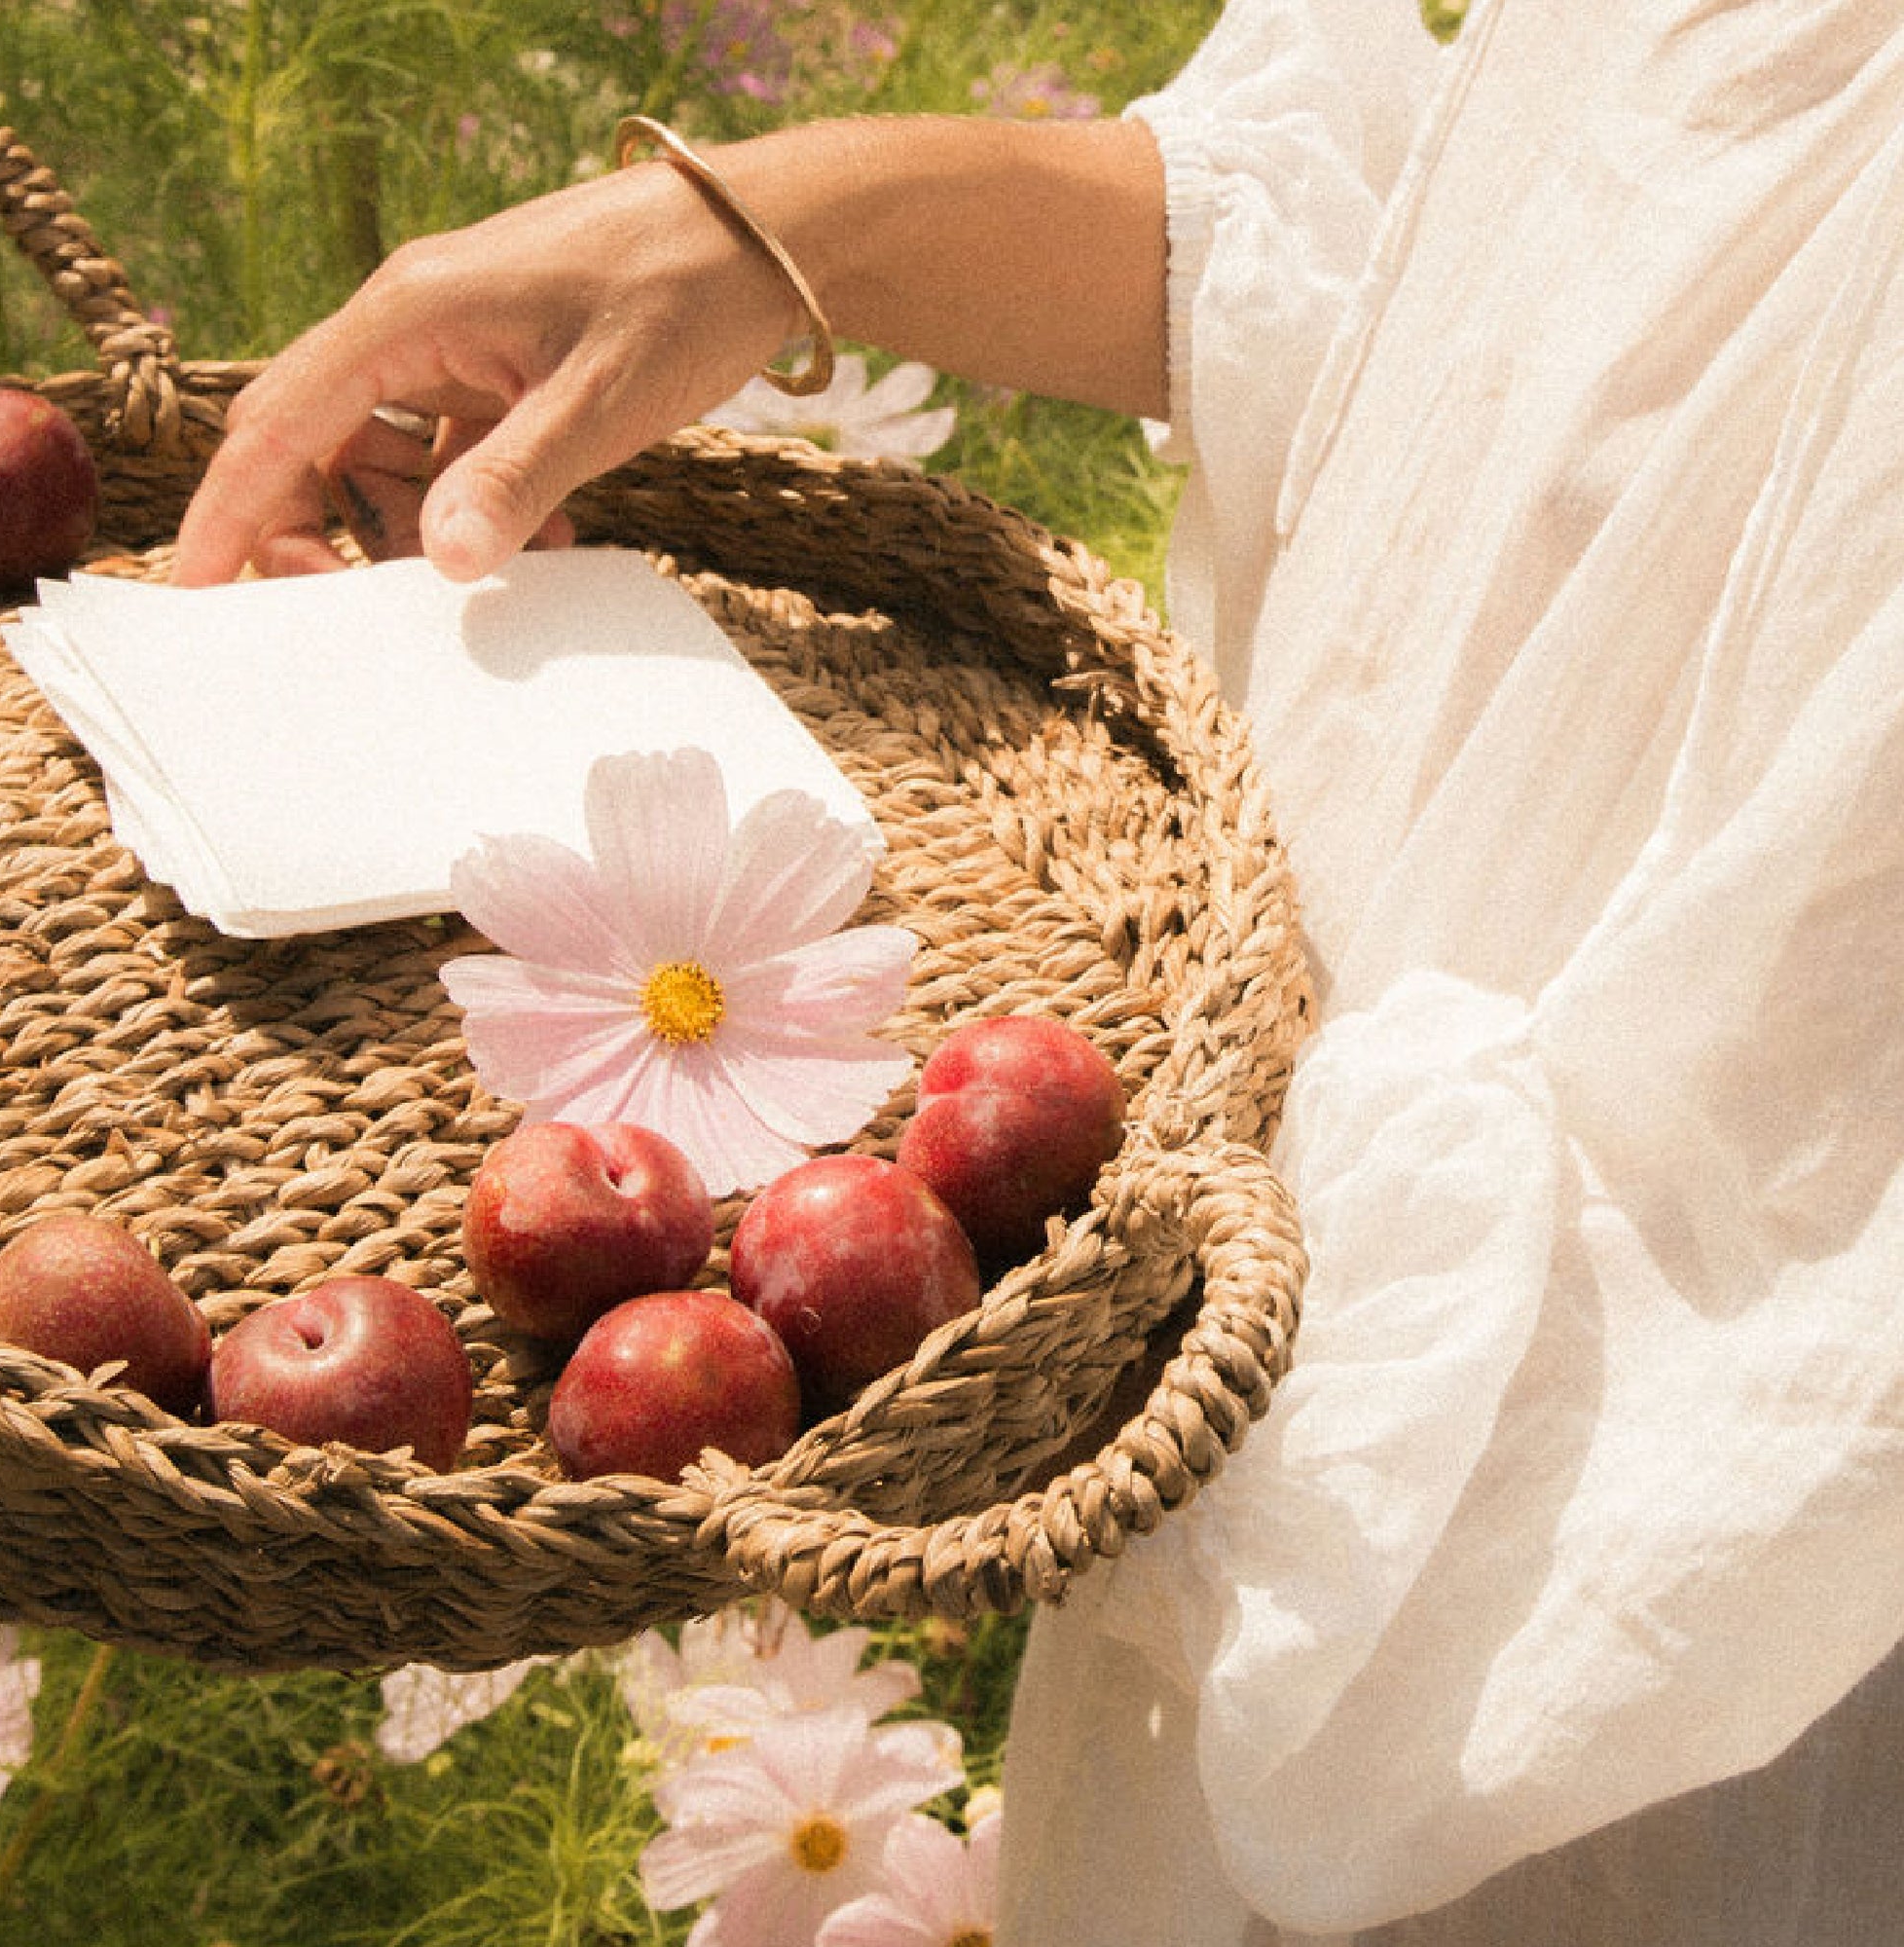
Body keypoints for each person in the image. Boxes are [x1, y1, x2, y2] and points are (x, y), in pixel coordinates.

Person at [174, 1, 1904, 1941]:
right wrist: (766, 228)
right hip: (1251, 1351)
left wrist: (1017, 1345)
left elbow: (1735, 1311)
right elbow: (1470, 291)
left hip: (1605, 1737)